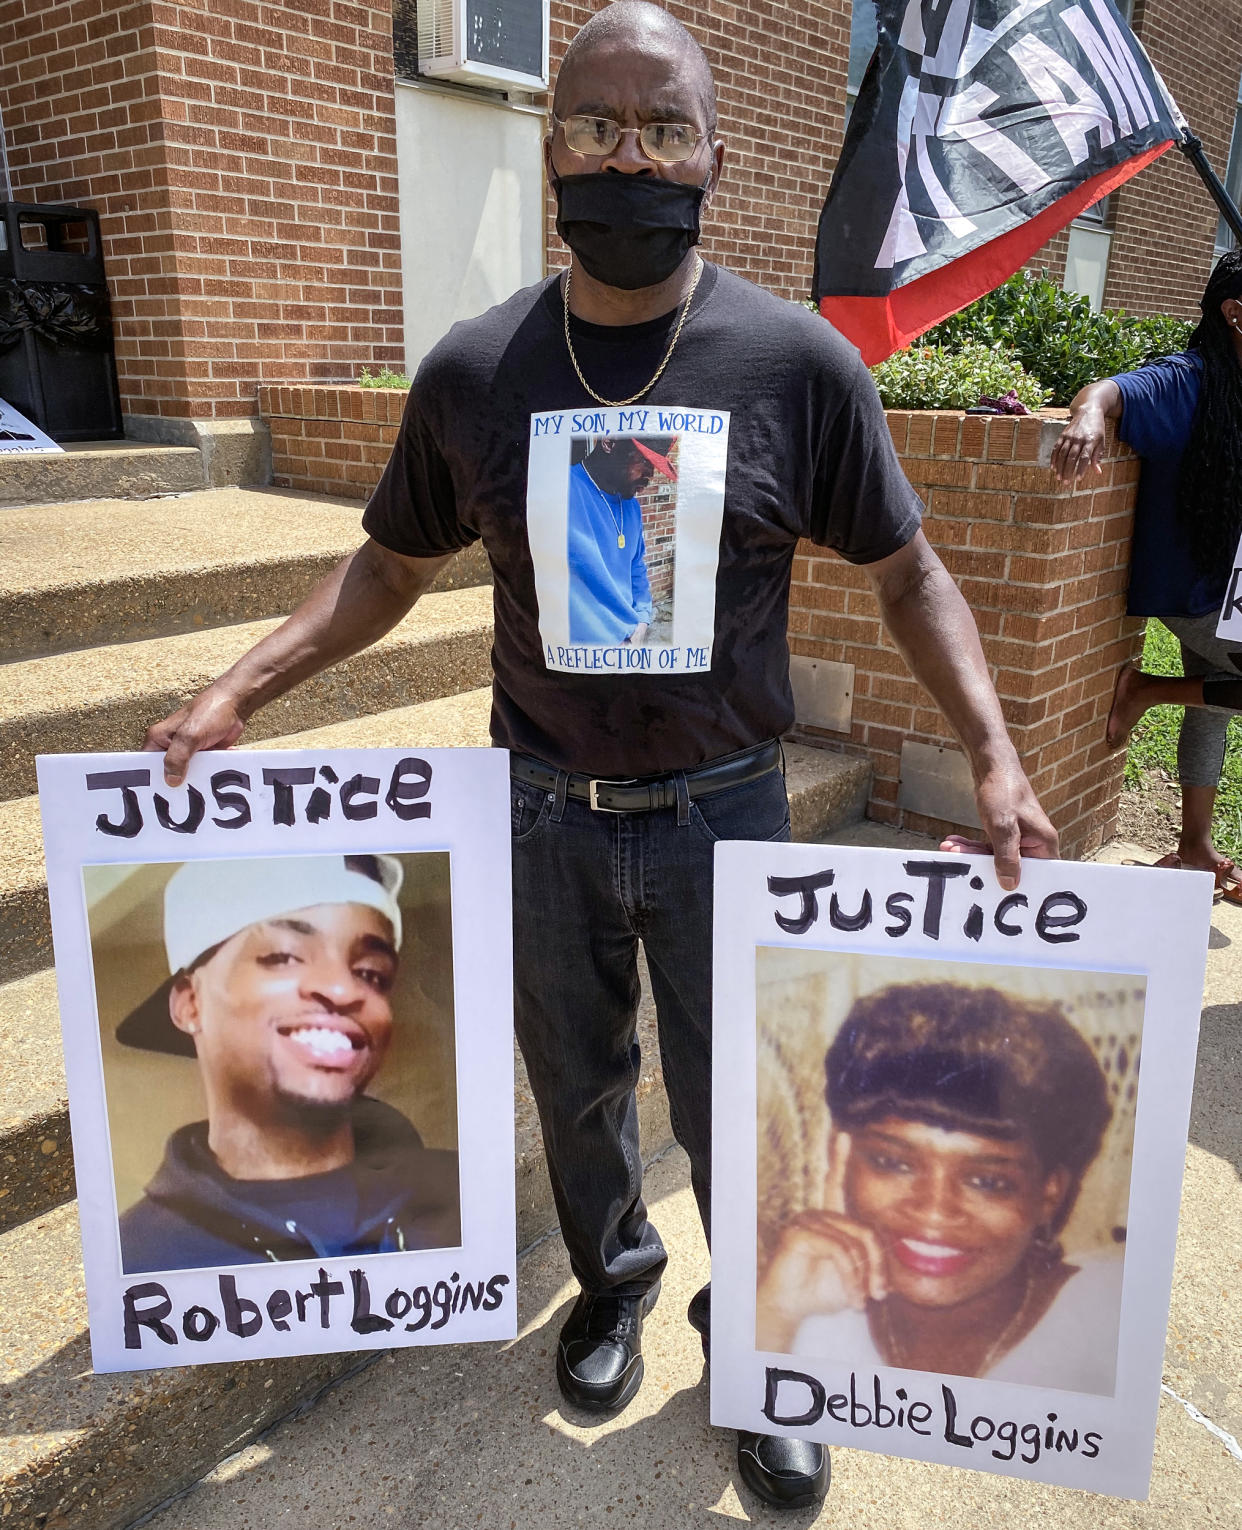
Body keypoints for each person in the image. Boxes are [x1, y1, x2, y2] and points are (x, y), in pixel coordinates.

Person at [142, 3, 1056, 1508]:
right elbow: (385, 567)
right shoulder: (474, 369)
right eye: (596, 125)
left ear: (714, 152)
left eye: (660, 129)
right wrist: (245, 680)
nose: (628, 155)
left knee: (740, 1101)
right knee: (574, 1083)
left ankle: (762, 1352)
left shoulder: (794, 366)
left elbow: (910, 573)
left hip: (726, 810)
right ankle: (615, 1281)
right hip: (542, 805)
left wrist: (995, 753)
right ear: (551, 143)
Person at [755, 983, 1119, 1396]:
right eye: (894, 1163)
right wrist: (777, 1313)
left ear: (1049, 1193)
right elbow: (760, 1399)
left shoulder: (1107, 1321)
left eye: (987, 1182)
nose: (933, 1210)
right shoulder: (801, 1296)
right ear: (841, 1155)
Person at [115, 854, 461, 1273]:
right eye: (284, 956)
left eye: (371, 973)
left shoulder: (461, 1195)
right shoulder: (138, 1256)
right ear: (190, 1003)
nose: (341, 987)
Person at [1052, 250, 1242, 902]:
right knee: (1216, 689)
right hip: (1193, 590)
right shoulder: (1191, 379)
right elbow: (1111, 391)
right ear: (1236, 314)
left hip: (1231, 591)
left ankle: (1192, 845)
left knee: (1212, 708)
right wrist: (1087, 416)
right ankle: (1145, 693)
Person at [568, 435, 675, 646]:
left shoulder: (632, 508)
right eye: (645, 461)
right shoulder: (562, 490)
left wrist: (642, 622)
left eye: (653, 465)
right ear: (609, 442)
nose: (650, 475)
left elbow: (637, 568)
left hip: (628, 642)